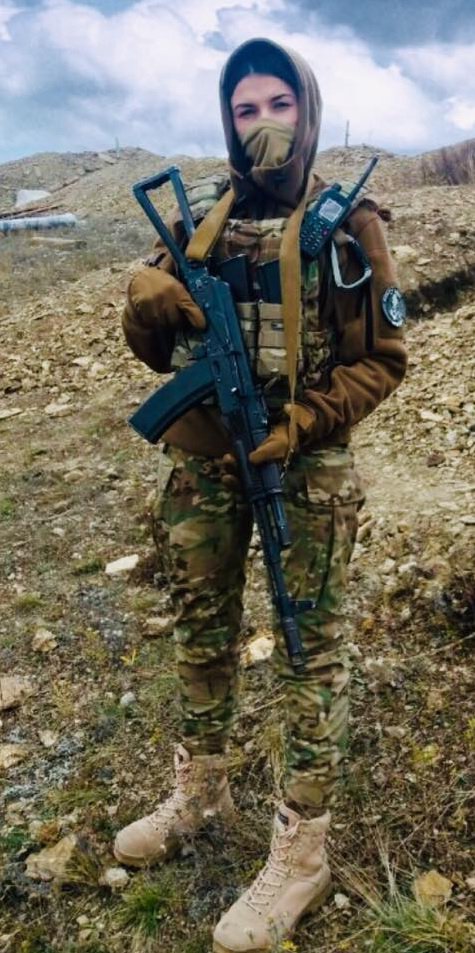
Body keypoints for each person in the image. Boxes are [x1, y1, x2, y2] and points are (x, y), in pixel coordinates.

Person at [114, 37, 407, 953]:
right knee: (201, 629)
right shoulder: (196, 221)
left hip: (302, 471)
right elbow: (157, 356)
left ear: (306, 111)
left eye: (279, 104)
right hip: (203, 467)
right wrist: (142, 307)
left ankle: (302, 851)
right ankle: (201, 791)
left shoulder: (349, 226)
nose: (263, 124)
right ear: (227, 120)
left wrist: (303, 421)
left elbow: (383, 361)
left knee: (306, 651)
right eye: (245, 110)